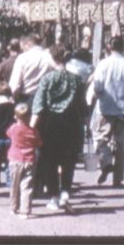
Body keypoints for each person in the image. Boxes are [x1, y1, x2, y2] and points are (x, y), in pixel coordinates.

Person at [31, 44, 87, 210]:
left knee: (50, 161)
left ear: (53, 58)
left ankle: (54, 196)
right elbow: (83, 107)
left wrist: (31, 128)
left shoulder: (47, 79)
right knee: (68, 160)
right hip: (71, 123)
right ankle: (65, 193)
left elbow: (38, 105)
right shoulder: (76, 79)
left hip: (50, 123)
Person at [90, 35, 124, 187]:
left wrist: (97, 96)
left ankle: (105, 163)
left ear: (109, 47)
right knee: (119, 143)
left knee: (100, 139)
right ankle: (117, 179)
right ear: (123, 47)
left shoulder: (103, 64)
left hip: (105, 108)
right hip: (123, 109)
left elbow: (97, 86)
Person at [6, 103, 43, 219]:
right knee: (26, 187)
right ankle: (25, 211)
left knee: (14, 186)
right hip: (29, 161)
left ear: (15, 116)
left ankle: (13, 207)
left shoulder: (13, 129)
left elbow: (7, 134)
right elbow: (39, 143)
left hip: (15, 160)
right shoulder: (33, 131)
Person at [9, 33, 56, 105]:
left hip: (27, 100)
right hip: (47, 100)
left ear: (29, 43)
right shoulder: (49, 57)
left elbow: (14, 85)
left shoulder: (23, 58)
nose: (23, 50)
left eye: (23, 48)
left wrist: (15, 99)